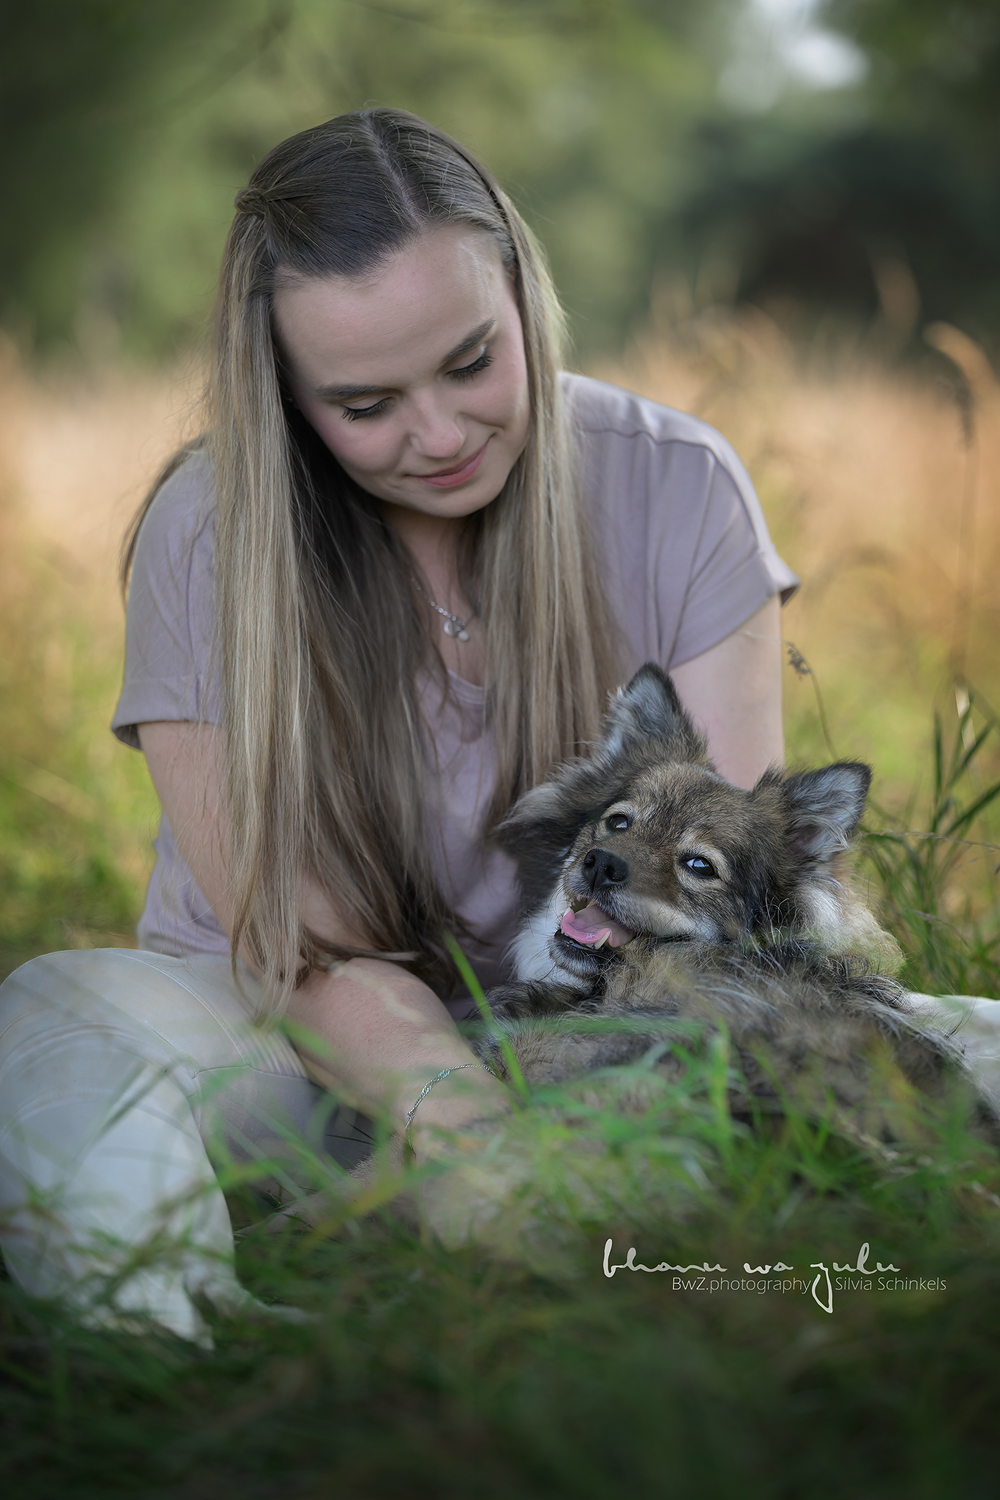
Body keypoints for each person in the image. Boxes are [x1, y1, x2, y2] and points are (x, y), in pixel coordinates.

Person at [0, 108, 799, 1342]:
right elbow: (300, 956)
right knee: (56, 1020)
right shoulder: (206, 534)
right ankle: (176, 1344)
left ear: (524, 295)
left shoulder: (679, 480)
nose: (437, 435)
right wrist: (473, 1141)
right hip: (281, 1046)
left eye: (472, 361)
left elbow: (713, 909)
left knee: (965, 1042)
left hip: (598, 1042)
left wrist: (559, 1110)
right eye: (366, 404)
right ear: (287, 394)